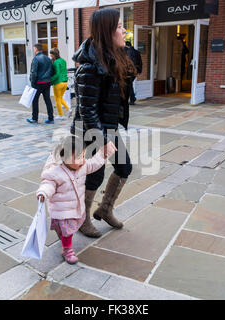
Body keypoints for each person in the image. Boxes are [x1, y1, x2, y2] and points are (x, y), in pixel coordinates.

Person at [71, 8, 136, 238]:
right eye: (119, 26)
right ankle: (82, 219)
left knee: (124, 167)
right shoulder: (89, 66)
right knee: (94, 175)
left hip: (108, 127)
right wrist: (102, 141)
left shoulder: (113, 58)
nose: (124, 30)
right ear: (107, 31)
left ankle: (105, 209)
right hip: (91, 131)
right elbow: (87, 110)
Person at [36, 135, 117, 264]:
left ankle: (65, 244)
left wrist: (103, 153)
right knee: (65, 231)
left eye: (84, 156)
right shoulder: (55, 172)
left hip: (75, 208)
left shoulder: (82, 166)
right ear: (66, 157)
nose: (83, 160)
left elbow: (94, 164)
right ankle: (65, 245)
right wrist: (43, 193)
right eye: (79, 157)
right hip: (61, 210)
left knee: (68, 230)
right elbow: (48, 184)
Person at [27, 43, 54, 124]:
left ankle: (34, 118)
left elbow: (34, 72)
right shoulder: (48, 59)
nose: (33, 50)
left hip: (38, 83)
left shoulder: (36, 59)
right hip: (47, 82)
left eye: (34, 49)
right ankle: (51, 118)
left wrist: (32, 83)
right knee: (47, 100)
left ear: (36, 49)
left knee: (35, 100)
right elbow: (52, 71)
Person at [50, 48, 72, 120]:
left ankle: (60, 115)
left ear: (53, 55)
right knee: (60, 98)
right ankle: (69, 109)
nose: (50, 55)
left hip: (58, 83)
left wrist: (51, 81)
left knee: (57, 100)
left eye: (51, 54)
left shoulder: (56, 62)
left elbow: (57, 74)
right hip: (65, 82)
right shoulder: (63, 61)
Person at [125, 41, 142, 105]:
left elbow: (131, 63)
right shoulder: (136, 52)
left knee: (128, 84)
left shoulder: (129, 52)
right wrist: (139, 71)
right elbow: (140, 62)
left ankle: (132, 98)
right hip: (135, 71)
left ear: (126, 46)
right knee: (129, 84)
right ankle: (132, 98)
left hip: (130, 71)